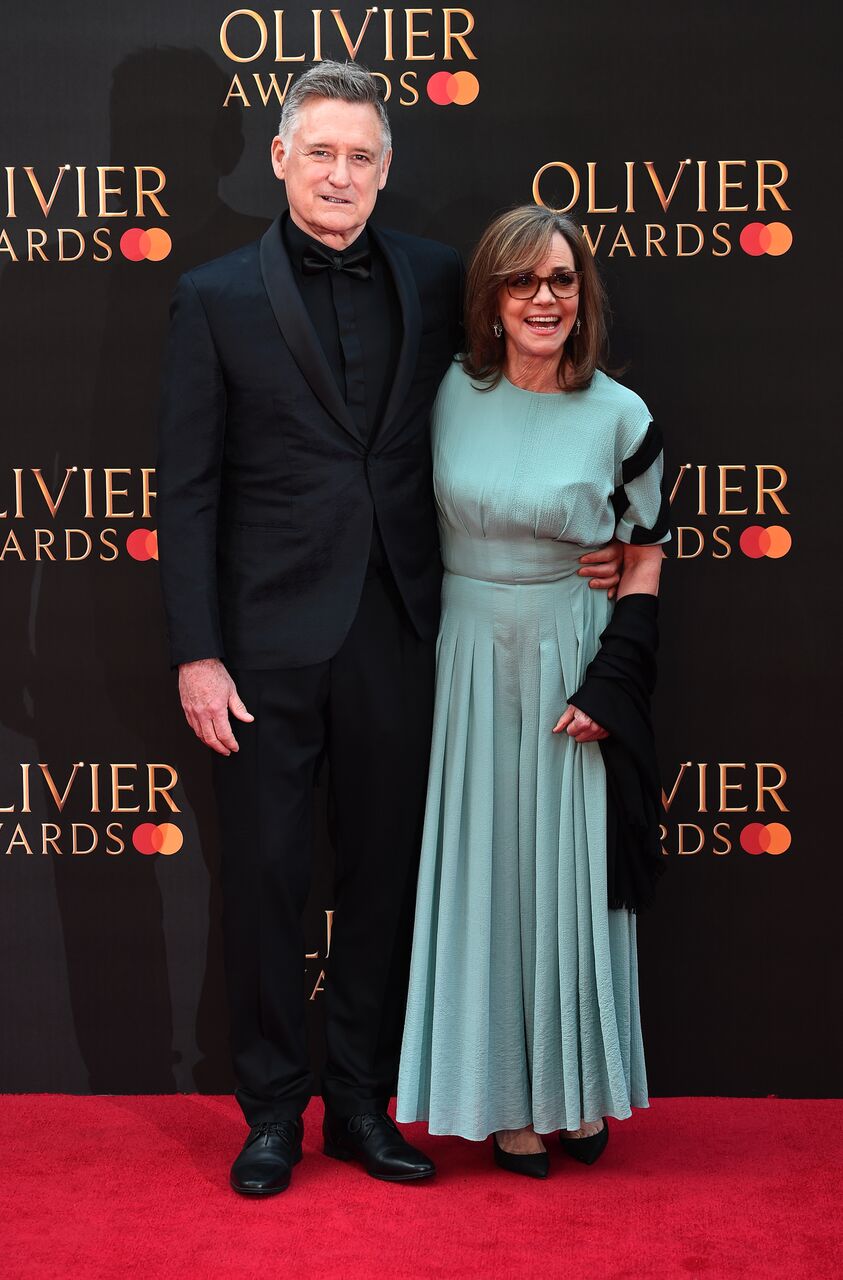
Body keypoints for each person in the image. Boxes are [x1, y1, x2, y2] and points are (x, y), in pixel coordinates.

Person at [157, 63, 621, 1196]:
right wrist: (197, 649)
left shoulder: (434, 278)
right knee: (264, 877)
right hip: (263, 643)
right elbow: (188, 489)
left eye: (362, 156)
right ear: (279, 159)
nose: (341, 174)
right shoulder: (213, 296)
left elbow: (533, 387)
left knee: (382, 876)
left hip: (407, 629)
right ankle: (272, 1111)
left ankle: (361, 1100)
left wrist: (593, 538)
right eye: (320, 152)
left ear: (386, 169)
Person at [397, 205, 669, 1177]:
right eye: (524, 281)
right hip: (464, 659)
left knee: (570, 879)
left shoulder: (620, 414)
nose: (544, 297)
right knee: (489, 875)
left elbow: (643, 557)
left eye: (561, 280)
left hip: (572, 654)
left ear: (582, 294)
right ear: (493, 297)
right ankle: (504, 1099)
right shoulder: (443, 395)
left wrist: (613, 677)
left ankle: (577, 1087)